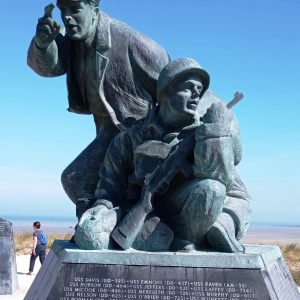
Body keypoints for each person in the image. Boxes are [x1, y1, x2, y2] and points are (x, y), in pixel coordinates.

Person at [74, 58, 252, 253]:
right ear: (166, 91)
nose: (196, 95)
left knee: (212, 189)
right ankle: (152, 235)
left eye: (199, 90)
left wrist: (216, 132)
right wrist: (101, 207)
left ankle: (183, 239)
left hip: (187, 210)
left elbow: (229, 185)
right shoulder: (131, 137)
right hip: (139, 209)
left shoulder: (203, 132)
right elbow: (110, 185)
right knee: (89, 234)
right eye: (188, 87)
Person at [27, 0, 170, 205]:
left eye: (75, 9)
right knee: (76, 180)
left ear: (94, 10)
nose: (66, 17)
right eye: (62, 10)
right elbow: (48, 68)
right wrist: (42, 44)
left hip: (140, 136)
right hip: (107, 133)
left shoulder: (132, 42)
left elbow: (176, 86)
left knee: (77, 180)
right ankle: (98, 228)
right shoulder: (74, 41)